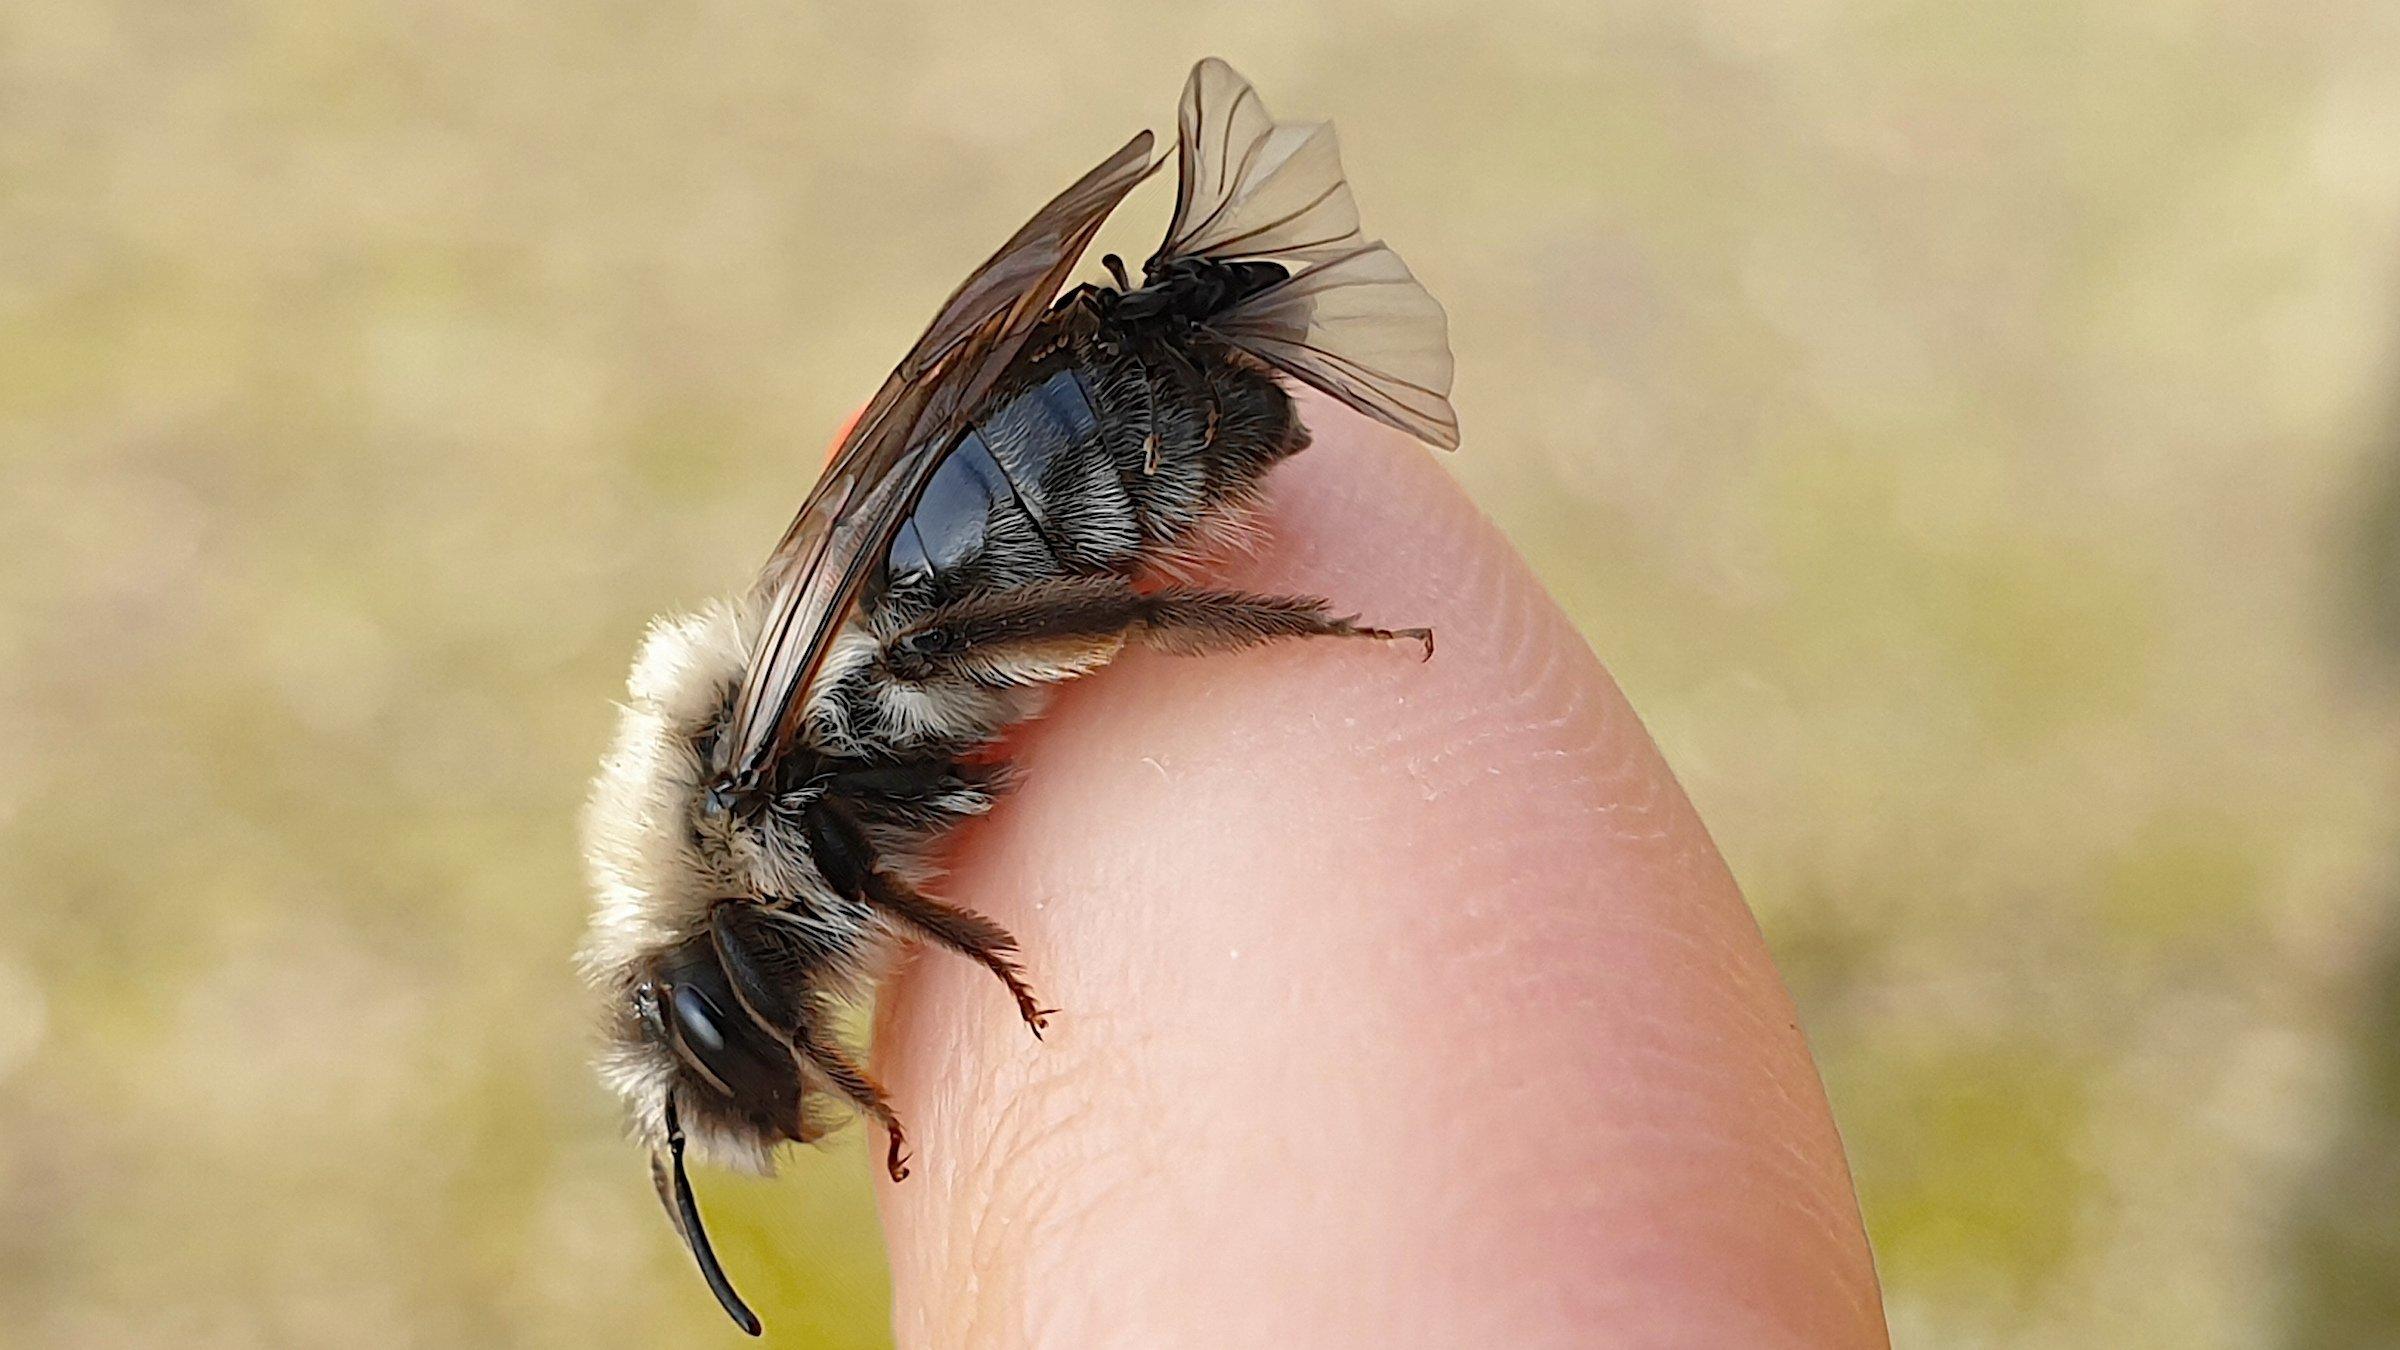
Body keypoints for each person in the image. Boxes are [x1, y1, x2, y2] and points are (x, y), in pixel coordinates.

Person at [864, 399, 1891, 1347]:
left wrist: (998, 965)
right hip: (1056, 473)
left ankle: (1313, 622)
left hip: (1116, 448)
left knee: (1115, 627)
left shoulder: (821, 759)